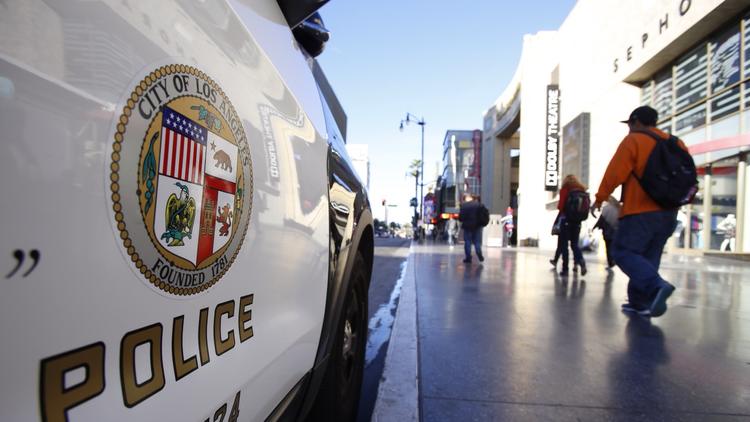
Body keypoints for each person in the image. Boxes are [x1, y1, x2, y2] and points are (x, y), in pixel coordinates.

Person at [593, 105, 686, 318]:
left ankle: (656, 286)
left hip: (639, 210)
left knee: (623, 252)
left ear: (635, 121)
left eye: (629, 125)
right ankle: (639, 303)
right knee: (648, 257)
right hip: (669, 212)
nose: (628, 129)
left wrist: (599, 199)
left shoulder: (634, 140)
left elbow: (614, 173)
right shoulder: (676, 143)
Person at [556, 174, 588, 276]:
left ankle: (565, 269)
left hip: (566, 221)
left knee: (564, 245)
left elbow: (560, 206)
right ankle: (581, 261)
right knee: (575, 245)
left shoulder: (565, 189)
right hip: (577, 222)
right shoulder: (582, 189)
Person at [594, 196, 620, 269]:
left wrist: (594, 227)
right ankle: (613, 260)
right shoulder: (618, 208)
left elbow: (601, 219)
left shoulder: (606, 208)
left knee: (608, 247)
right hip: (615, 231)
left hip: (607, 231)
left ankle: (610, 262)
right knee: (613, 246)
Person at [458, 193, 485, 263]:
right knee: (477, 242)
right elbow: (483, 216)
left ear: (467, 198)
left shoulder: (464, 206)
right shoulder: (479, 205)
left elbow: (460, 218)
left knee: (467, 241)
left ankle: (468, 258)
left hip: (467, 226)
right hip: (477, 226)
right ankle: (479, 254)